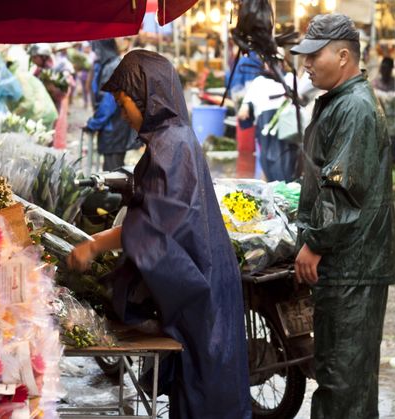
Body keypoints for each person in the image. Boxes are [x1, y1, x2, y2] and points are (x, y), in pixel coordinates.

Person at [67, 50, 251, 419]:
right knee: (197, 389)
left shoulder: (172, 145)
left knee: (209, 394)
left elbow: (156, 227)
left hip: (201, 289)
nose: (122, 113)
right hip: (199, 283)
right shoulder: (169, 140)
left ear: (147, 98)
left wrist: (95, 245)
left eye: (123, 103)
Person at [291, 13, 395, 418]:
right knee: (344, 379)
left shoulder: (354, 106)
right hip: (349, 264)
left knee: (342, 382)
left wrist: (315, 243)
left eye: (312, 56)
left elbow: (343, 188)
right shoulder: (341, 101)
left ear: (342, 56)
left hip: (353, 266)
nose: (305, 64)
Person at [84, 39, 137, 171]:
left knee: (113, 170)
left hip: (115, 125)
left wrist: (94, 123)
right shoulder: (110, 64)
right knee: (112, 167)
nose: (94, 53)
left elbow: (109, 102)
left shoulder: (112, 66)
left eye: (95, 49)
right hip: (116, 124)